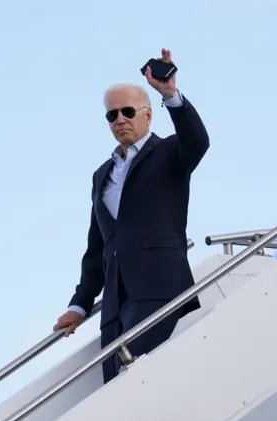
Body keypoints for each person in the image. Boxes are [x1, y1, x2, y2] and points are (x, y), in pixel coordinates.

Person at [52, 48, 209, 384]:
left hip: (159, 288)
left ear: (148, 116)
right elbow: (98, 247)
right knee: (117, 391)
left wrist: (170, 94)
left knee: (143, 382)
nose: (120, 120)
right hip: (114, 306)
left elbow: (198, 142)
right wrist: (80, 305)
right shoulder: (101, 175)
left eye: (127, 112)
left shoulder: (168, 152)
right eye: (112, 115)